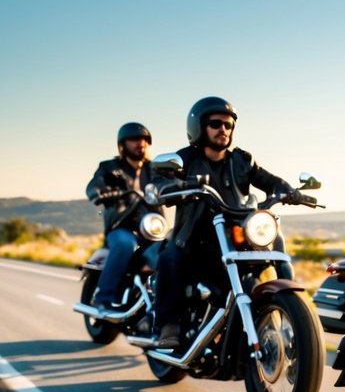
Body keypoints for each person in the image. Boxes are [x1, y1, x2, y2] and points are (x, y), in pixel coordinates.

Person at [151, 96, 296, 348]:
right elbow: (159, 181)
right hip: (194, 237)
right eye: (216, 124)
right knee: (169, 258)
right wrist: (171, 187)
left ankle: (293, 311)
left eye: (228, 125)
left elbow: (268, 179)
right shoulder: (184, 159)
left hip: (236, 234)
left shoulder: (241, 160)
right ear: (199, 127)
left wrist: (288, 190)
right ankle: (168, 323)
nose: (223, 130)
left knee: (276, 241)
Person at [85, 122, 163, 313]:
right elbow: (94, 185)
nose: (141, 143)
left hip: (151, 230)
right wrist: (100, 192)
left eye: (145, 140)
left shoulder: (155, 169)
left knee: (169, 255)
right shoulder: (109, 167)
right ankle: (104, 297)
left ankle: (162, 306)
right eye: (135, 139)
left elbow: (172, 182)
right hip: (121, 227)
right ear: (123, 144)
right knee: (125, 244)